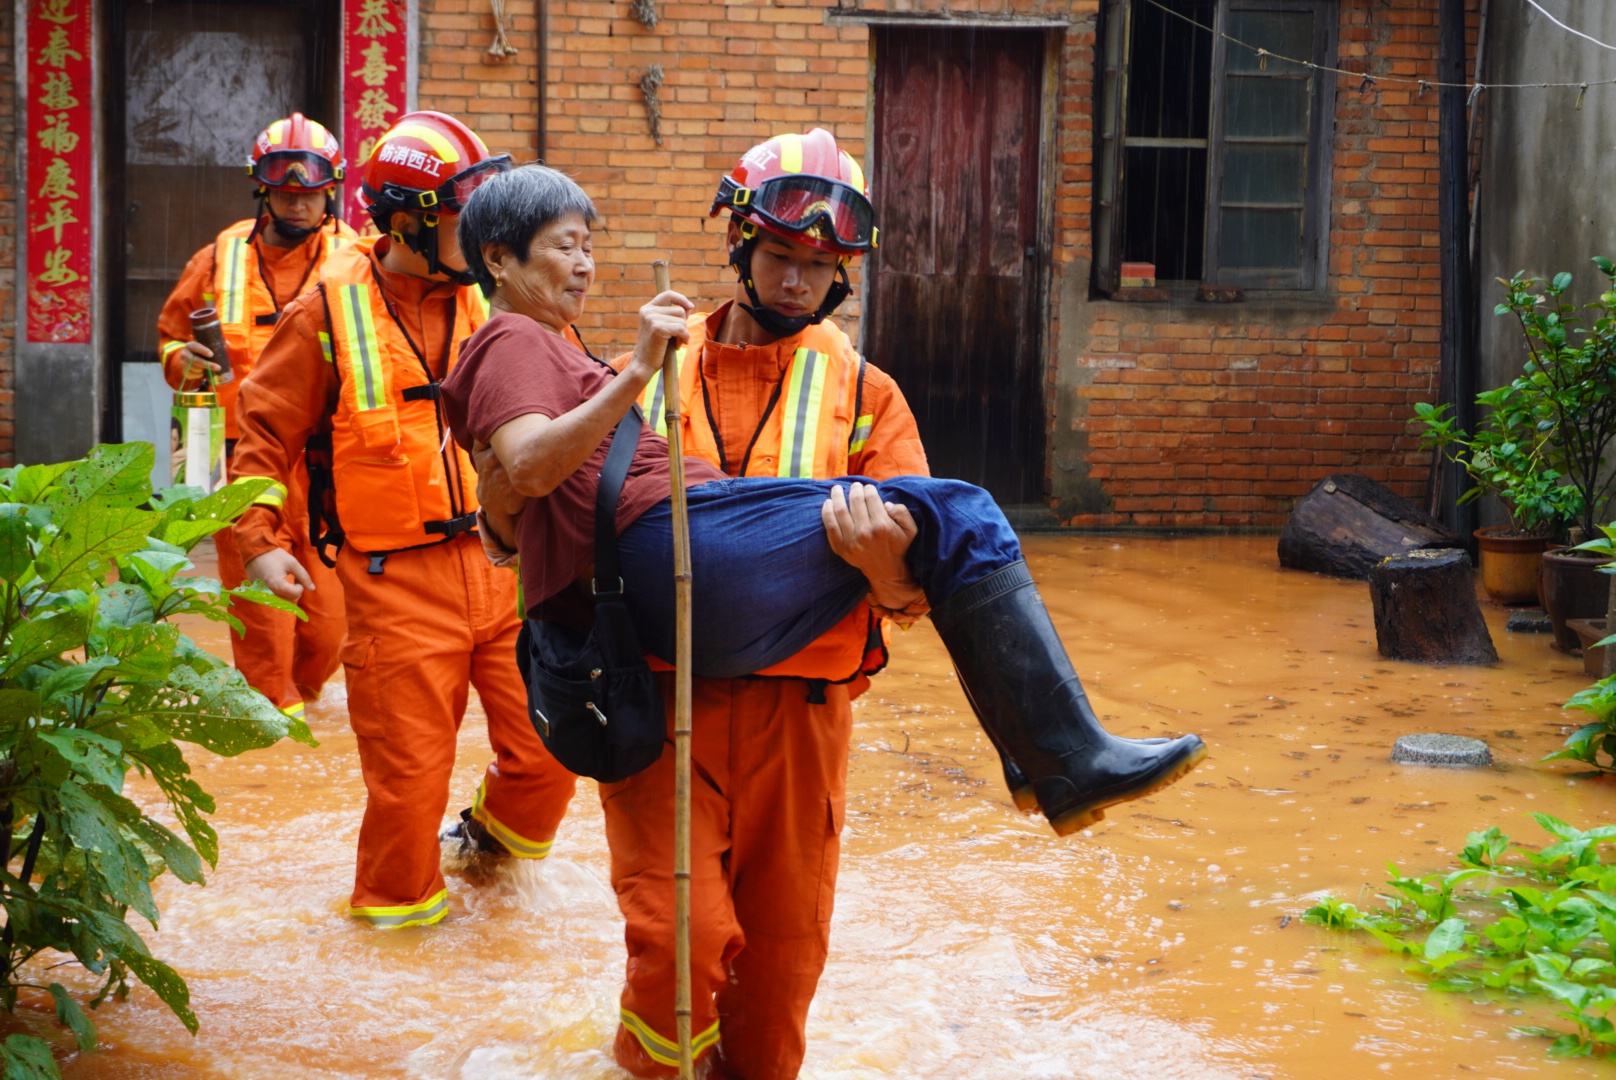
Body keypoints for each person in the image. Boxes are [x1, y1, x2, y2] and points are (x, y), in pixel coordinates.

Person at [443, 162, 1207, 1076]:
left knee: (780, 975)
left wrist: (883, 566)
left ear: (844, 274)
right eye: (778, 254)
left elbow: (915, 596)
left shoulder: (867, 394)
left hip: (801, 720)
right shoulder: (629, 364)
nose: (797, 279)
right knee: (675, 948)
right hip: (662, 703)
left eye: (820, 263)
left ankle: (1055, 763)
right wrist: (498, 494)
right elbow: (527, 514)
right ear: (741, 247)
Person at [228, 112, 578, 930]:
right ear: (410, 220)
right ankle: (393, 950)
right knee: (409, 786)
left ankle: (483, 856)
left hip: (506, 572)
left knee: (553, 753)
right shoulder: (328, 313)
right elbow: (263, 438)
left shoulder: (504, 297)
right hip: (392, 589)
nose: (493, 236)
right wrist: (258, 546)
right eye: (469, 219)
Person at [157, 112, 355, 721]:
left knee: (328, 623)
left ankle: (304, 695)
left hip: (325, 460)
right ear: (263, 190)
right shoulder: (219, 256)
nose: (298, 205)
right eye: (286, 193)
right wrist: (181, 357)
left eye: (311, 194)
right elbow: (169, 336)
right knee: (258, 602)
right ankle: (272, 716)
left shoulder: (358, 259)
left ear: (330, 193)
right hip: (242, 455)